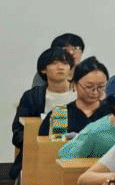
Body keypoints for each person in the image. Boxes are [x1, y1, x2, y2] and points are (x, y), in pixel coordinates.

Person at [10, 46, 77, 178]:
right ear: (43, 69)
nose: (60, 67)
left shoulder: (81, 94)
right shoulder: (32, 97)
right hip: (41, 153)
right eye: (54, 63)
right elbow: (18, 131)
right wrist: (36, 141)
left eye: (65, 63)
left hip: (76, 152)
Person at [38, 57, 109, 135]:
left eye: (100, 87)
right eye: (89, 87)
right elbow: (53, 142)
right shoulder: (60, 115)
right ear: (75, 85)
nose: (95, 92)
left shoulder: (112, 113)